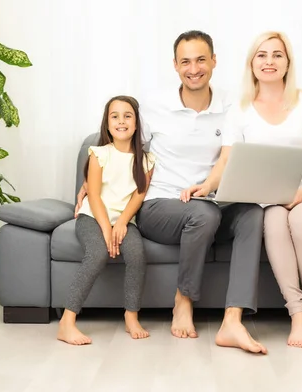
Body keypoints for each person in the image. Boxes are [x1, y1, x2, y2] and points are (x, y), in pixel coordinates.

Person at [77, 31, 268, 354]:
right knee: (202, 213)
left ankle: (233, 320)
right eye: (186, 62)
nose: (194, 68)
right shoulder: (154, 106)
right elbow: (126, 144)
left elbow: (230, 156)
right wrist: (91, 179)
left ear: (214, 62)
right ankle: (183, 300)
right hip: (160, 206)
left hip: (212, 203)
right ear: (176, 66)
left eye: (201, 60)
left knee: (252, 214)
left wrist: (214, 187)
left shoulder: (232, 106)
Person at [222, 31, 302, 348]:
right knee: (274, 222)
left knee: (301, 220)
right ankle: (297, 315)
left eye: (277, 54)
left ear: (288, 62)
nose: (269, 61)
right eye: (261, 55)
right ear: (252, 63)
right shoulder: (240, 109)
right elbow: (230, 161)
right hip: (272, 203)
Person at [58, 95, 155, 346]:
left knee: (136, 254)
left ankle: (131, 317)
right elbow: (95, 196)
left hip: (124, 220)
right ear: (107, 123)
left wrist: (122, 223)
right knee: (98, 253)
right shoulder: (98, 154)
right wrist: (106, 229)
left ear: (136, 124)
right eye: (115, 116)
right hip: (93, 217)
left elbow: (139, 194)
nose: (121, 121)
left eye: (127, 116)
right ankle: (66, 323)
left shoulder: (146, 159)